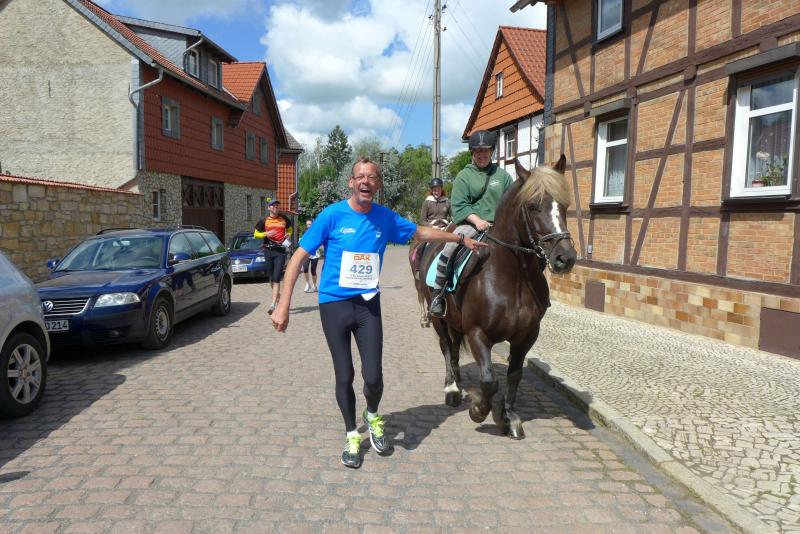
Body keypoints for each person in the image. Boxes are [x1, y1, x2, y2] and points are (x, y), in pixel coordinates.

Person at [272, 157, 486, 469]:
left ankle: (372, 415)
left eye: (372, 177)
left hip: (367, 305)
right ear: (351, 182)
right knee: (344, 374)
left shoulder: (385, 218)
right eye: (360, 176)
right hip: (334, 305)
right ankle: (351, 434)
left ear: (378, 184)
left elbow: (421, 233)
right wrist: (283, 305)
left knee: (373, 376)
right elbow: (298, 257)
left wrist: (460, 238)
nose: (366, 181)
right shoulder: (332, 215)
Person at [428, 129, 514, 318]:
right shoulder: (463, 176)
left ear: (492, 151)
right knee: (449, 248)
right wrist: (478, 221)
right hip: (471, 224)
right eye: (477, 151)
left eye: (486, 150)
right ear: (472, 153)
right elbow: (459, 205)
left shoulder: (503, 176)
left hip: (499, 225)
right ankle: (437, 296)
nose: (482, 154)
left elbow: (511, 202)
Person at [254, 199, 292, 315]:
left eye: (277, 205)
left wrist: (289, 234)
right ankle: (278, 297)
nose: (276, 207)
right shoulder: (264, 220)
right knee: (271, 279)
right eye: (273, 205)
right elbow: (255, 234)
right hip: (268, 250)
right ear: (269, 208)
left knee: (276, 278)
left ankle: (273, 304)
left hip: (280, 251)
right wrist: (265, 234)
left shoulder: (284, 218)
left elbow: (290, 229)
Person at [301, 219, 321, 292]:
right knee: (305, 269)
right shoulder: (305, 232)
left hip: (315, 254)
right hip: (306, 253)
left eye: (309, 224)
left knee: (313, 271)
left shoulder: (317, 232)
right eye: (307, 224)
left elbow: (320, 242)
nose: (308, 226)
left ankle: (315, 285)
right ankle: (307, 284)